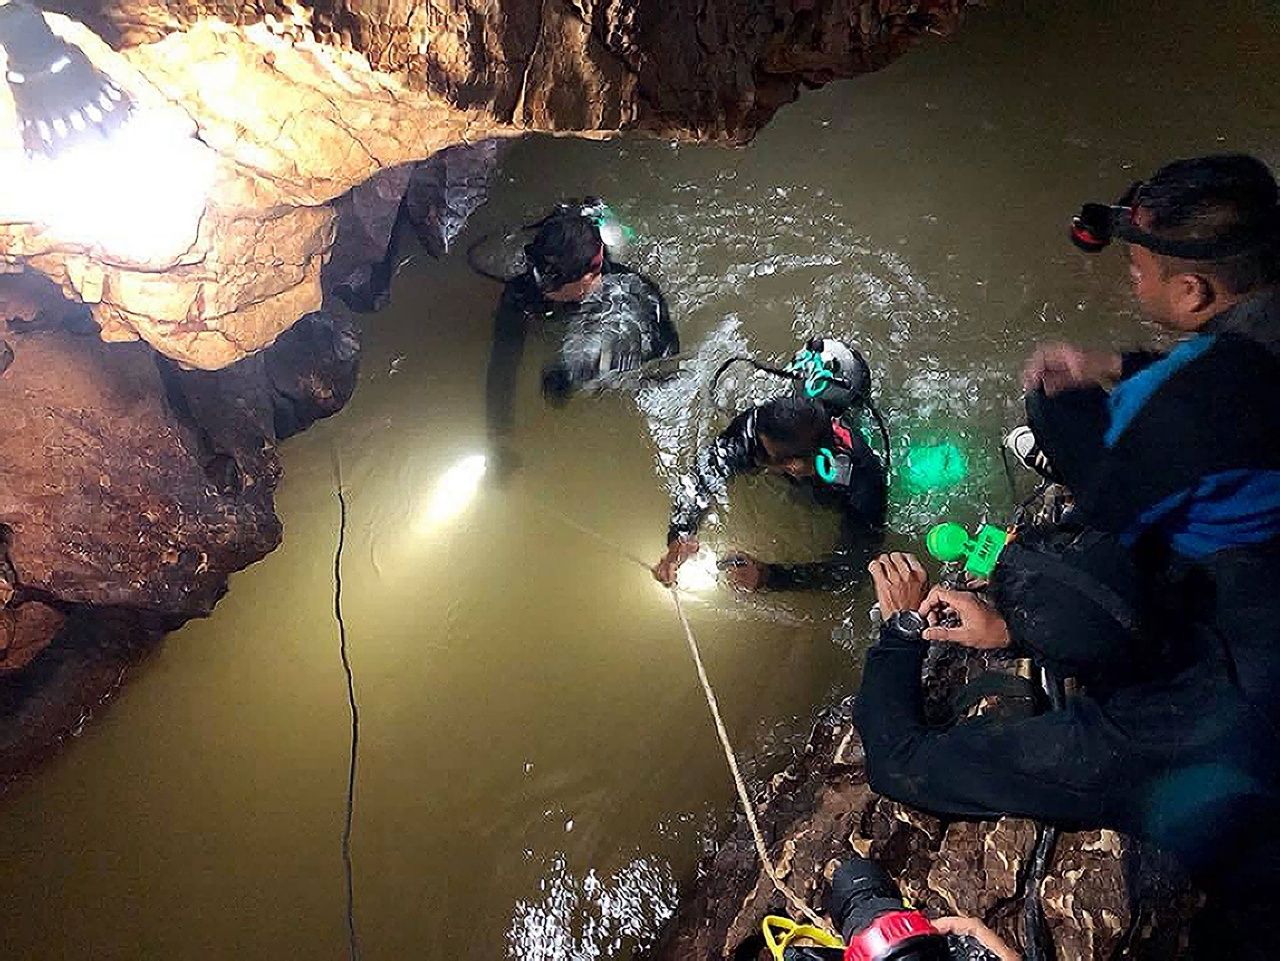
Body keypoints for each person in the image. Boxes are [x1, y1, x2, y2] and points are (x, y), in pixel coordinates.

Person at [855, 547, 1280, 961]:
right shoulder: (1237, 573)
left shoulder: (1116, 749)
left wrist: (901, 628)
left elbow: (898, 760)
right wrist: (1017, 624)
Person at [1009, 154, 1280, 733]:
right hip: (1254, 465)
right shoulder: (1254, 326)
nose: (1131, 281)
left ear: (1192, 292)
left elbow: (1108, 509)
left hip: (1235, 567)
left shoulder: (1176, 401)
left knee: (1050, 403)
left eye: (1136, 270)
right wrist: (1114, 362)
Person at [485, 204, 680, 472]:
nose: (541, 288)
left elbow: (665, 355)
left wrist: (584, 369)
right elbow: (502, 366)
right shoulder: (521, 295)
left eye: (552, 285)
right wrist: (499, 438)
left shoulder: (625, 287)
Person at [652, 392, 887, 591]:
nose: (756, 458)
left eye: (766, 457)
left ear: (794, 466)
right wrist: (680, 535)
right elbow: (705, 473)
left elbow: (855, 570)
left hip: (835, 492)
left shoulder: (863, 484)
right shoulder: (757, 429)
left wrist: (770, 577)